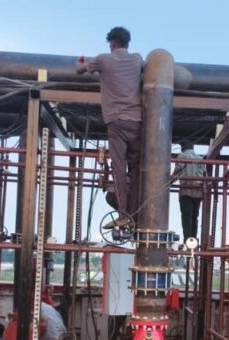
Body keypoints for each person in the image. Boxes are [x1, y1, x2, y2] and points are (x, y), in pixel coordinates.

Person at [77, 26, 143, 229]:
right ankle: (136, 216)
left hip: (116, 120)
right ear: (127, 43)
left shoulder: (103, 59)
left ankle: (124, 216)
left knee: (119, 169)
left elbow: (80, 70)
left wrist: (81, 61)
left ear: (112, 43)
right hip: (137, 120)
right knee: (136, 170)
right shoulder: (137, 59)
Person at [174, 142, 205, 241]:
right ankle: (193, 239)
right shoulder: (200, 159)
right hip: (198, 192)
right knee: (195, 217)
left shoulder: (182, 156)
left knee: (186, 217)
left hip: (186, 191)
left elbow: (177, 172)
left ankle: (187, 239)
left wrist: (168, 182)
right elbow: (204, 174)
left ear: (183, 148)